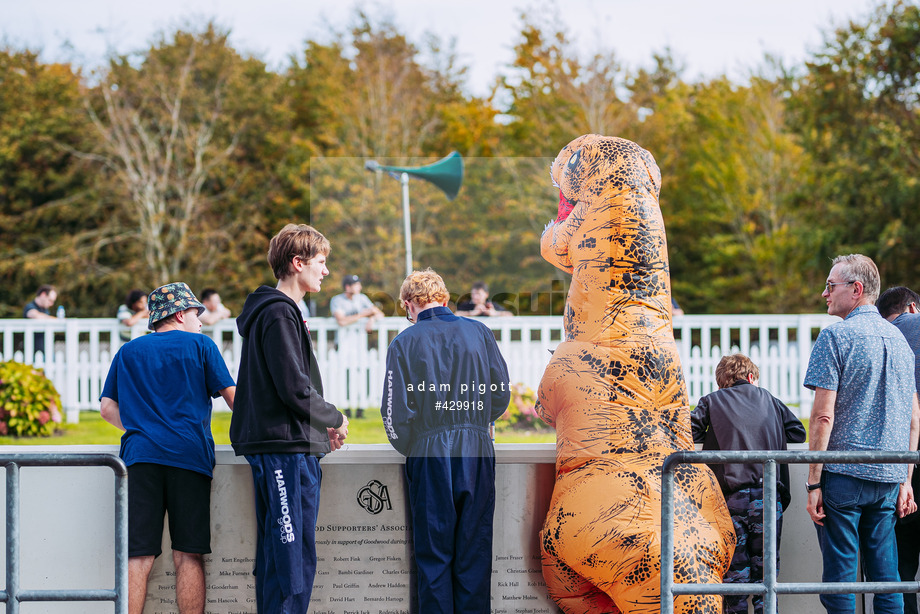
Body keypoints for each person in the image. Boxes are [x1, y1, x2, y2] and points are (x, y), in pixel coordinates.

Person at [230, 223, 349, 614]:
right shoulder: (280, 313)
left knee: (280, 558)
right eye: (321, 262)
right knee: (291, 562)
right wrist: (334, 418)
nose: (326, 270)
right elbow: (294, 387)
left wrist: (318, 432)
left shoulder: (279, 312)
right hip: (283, 453)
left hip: (286, 446)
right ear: (297, 263)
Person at [99, 282, 236, 614]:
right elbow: (237, 401)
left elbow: (106, 408)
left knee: (138, 555)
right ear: (178, 314)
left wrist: (141, 427)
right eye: (195, 313)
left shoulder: (128, 351)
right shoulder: (202, 346)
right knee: (188, 553)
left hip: (139, 460)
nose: (201, 321)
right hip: (189, 458)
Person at [381, 268, 511, 613]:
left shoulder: (404, 342)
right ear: (445, 297)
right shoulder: (480, 332)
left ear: (409, 304)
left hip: (429, 450)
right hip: (476, 447)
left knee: (433, 556)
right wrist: (474, 421)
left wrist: (417, 445)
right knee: (475, 551)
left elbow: (394, 416)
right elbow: (500, 395)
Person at [804, 254, 920, 614]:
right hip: (888, 476)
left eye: (830, 285)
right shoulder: (900, 340)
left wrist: (813, 483)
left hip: (844, 475)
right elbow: (915, 417)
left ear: (856, 290)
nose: (824, 293)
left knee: (840, 579)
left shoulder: (836, 336)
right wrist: (906, 479)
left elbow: (823, 417)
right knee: (887, 579)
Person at [691, 353, 806, 614]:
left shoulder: (711, 401)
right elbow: (798, 432)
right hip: (768, 497)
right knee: (768, 574)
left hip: (731, 499)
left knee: (734, 574)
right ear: (751, 377)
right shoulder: (769, 399)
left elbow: (690, 432)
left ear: (722, 382)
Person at [878, 286, 920, 614]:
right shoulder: (910, 323)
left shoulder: (885, 336)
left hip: (903, 464)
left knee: (901, 561)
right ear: (913, 307)